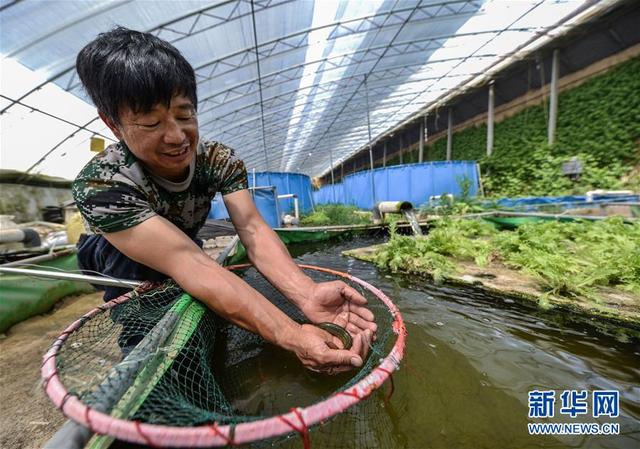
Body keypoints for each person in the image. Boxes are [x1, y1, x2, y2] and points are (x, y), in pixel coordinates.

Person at [72, 27, 375, 375]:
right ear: (112, 124)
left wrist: (306, 294)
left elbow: (252, 229)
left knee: (202, 292)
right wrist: (291, 334)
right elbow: (191, 263)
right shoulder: (102, 184)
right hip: (115, 250)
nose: (176, 136)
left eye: (185, 115)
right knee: (151, 315)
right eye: (152, 123)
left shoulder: (218, 160)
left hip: (180, 238)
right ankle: (150, 376)